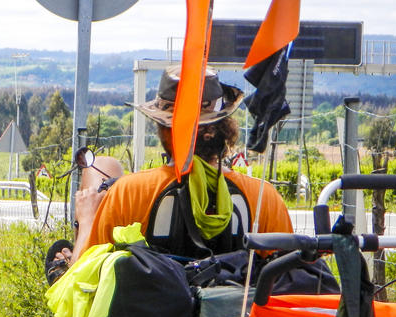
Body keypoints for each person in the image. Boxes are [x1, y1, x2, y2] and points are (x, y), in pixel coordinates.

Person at [67, 65, 293, 267]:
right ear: (223, 127)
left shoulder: (128, 193)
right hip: (239, 313)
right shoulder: (264, 197)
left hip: (151, 314)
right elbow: (287, 277)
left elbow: (83, 281)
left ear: (165, 129)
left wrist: (86, 221)